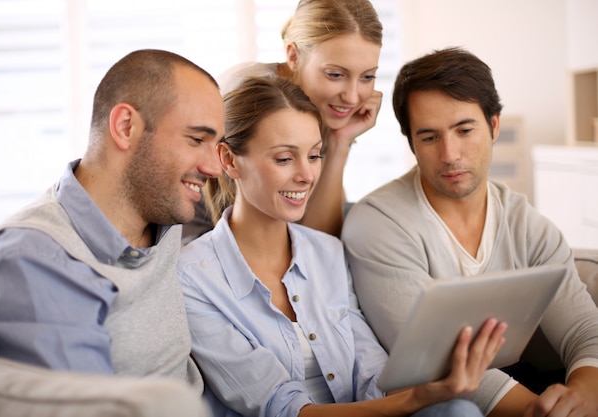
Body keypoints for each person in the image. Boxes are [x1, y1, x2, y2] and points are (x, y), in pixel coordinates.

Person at [177, 75, 508, 417]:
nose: (306, 175)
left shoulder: (328, 252)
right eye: (284, 159)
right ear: (229, 161)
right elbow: (282, 409)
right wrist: (417, 398)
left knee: (458, 411)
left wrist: (433, 381)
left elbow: (371, 372)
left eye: (314, 155)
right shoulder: (192, 277)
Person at [341, 47, 598, 417]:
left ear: (494, 125)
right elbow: (433, 359)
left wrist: (583, 396)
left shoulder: (528, 225)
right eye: (429, 137)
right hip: (436, 402)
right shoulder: (378, 223)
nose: (450, 154)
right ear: (411, 142)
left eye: (464, 130)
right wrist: (543, 411)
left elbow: (584, 329)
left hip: (519, 386)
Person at [0, 49, 225, 392]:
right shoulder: (35, 259)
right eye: (197, 140)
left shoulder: (164, 212)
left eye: (217, 145)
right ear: (125, 127)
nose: (214, 168)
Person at [182, 0, 383, 242]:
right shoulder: (254, 98)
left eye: (367, 76)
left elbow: (319, 248)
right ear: (293, 55)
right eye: (335, 75)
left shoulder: (320, 107)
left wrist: (341, 141)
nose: (352, 97)